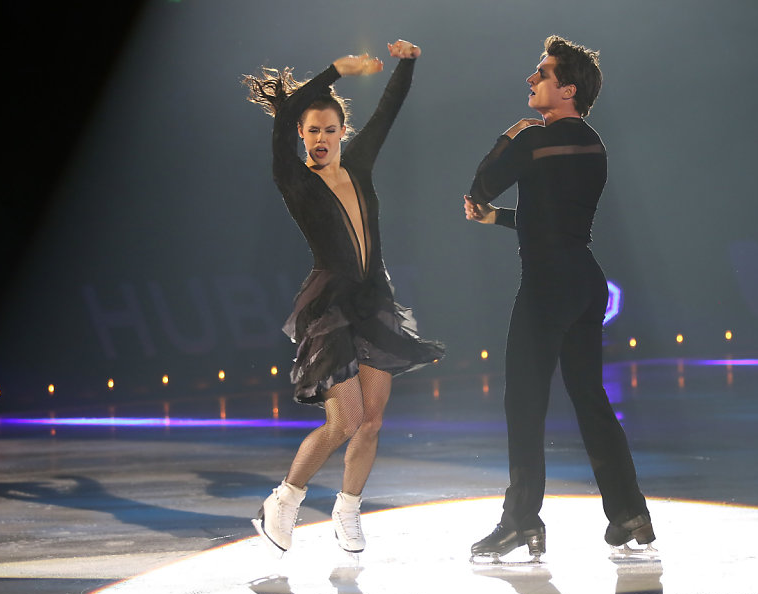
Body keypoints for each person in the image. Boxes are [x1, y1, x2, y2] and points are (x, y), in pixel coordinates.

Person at [243, 40, 444, 555]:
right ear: (301, 135)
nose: (321, 139)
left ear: (341, 134)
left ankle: (349, 510)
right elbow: (286, 108)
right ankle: (283, 502)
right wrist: (336, 70)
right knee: (345, 420)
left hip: (374, 300)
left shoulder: (359, 166)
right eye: (312, 130)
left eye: (330, 130)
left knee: (372, 420)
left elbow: (388, 111)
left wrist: (408, 63)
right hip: (330, 306)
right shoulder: (295, 181)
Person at [464, 35, 653, 560]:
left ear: (567, 89)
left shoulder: (532, 140)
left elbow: (480, 184)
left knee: (524, 403)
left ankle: (520, 520)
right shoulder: (594, 145)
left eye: (541, 73)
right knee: (591, 401)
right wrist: (499, 219)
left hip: (547, 286)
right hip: (584, 283)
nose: (532, 79)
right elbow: (555, 221)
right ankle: (630, 514)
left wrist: (512, 133)